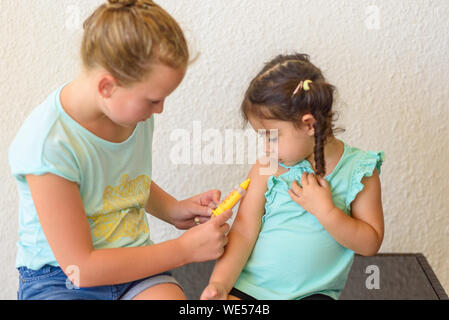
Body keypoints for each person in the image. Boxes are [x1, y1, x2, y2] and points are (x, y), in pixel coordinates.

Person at [9, 0, 232, 300]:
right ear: (107, 87)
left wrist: (173, 209)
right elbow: (81, 267)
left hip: (133, 265)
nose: (160, 109)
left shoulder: (134, 114)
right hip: (60, 278)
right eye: (153, 100)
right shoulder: (48, 145)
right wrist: (184, 250)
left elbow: (120, 180)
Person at [201, 53, 385, 300]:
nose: (266, 148)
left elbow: (370, 244)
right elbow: (244, 232)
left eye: (271, 136)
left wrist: (326, 211)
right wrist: (219, 285)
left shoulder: (360, 171)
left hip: (314, 295)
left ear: (310, 125)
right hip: (251, 290)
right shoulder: (267, 167)